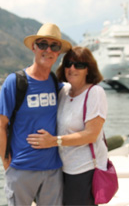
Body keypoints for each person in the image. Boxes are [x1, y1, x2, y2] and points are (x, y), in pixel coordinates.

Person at [0, 23, 72, 205]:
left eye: (54, 46)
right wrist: (7, 163)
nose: (48, 50)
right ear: (33, 47)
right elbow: (0, 125)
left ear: (59, 52)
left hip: (52, 170)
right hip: (21, 169)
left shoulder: (55, 84)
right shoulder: (15, 82)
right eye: (43, 44)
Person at [27, 46, 107, 205]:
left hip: (83, 170)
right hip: (60, 168)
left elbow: (91, 134)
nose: (72, 68)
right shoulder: (63, 92)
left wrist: (54, 141)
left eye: (79, 65)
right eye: (68, 64)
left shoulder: (95, 93)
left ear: (88, 69)